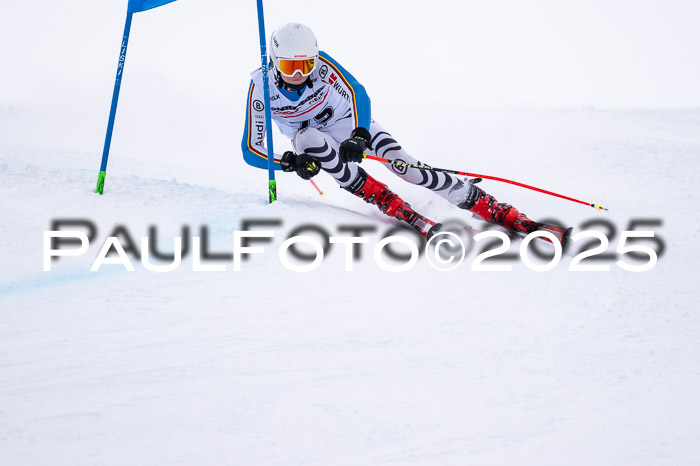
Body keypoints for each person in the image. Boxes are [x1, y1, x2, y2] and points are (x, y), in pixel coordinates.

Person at [241, 22, 541, 240]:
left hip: (346, 122)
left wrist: (359, 134)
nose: (299, 74)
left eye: (305, 64)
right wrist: (289, 163)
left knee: (407, 168)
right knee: (307, 138)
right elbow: (251, 148)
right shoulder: (261, 89)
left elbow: (357, 93)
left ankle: (481, 202)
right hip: (311, 137)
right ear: (273, 61)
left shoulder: (323, 68)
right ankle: (379, 196)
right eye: (289, 66)